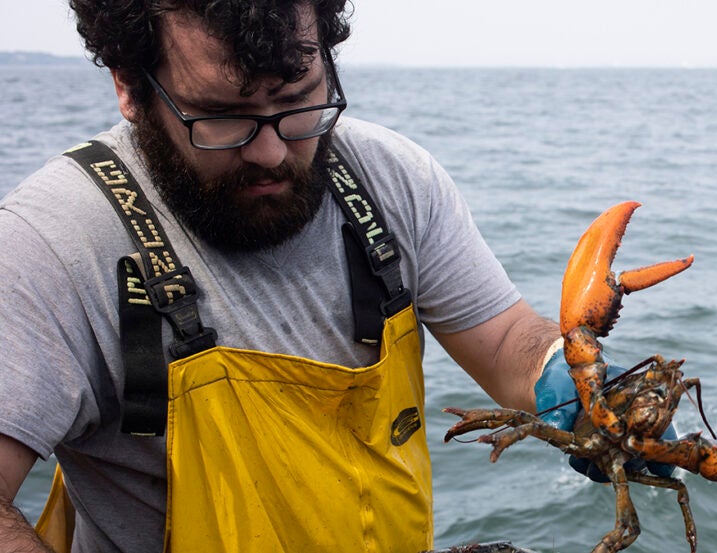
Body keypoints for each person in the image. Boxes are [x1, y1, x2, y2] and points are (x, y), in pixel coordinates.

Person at [0, 1, 575, 551]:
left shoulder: (391, 178)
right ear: (130, 87)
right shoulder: (52, 241)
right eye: (223, 117)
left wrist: (565, 376)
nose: (272, 152)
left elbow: (503, 343)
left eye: (299, 101)